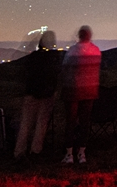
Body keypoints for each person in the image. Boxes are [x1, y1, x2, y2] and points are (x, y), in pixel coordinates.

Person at [14, 30, 62, 159]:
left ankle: (19, 151)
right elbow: (57, 72)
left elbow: (25, 71)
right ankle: (35, 151)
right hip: (47, 93)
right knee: (42, 123)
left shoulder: (33, 56)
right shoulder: (54, 57)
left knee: (26, 123)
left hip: (31, 92)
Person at [60, 26, 101, 164]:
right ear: (90, 35)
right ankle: (82, 153)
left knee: (71, 122)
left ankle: (69, 154)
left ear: (79, 35)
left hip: (73, 90)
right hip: (90, 91)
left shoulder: (73, 50)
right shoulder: (96, 50)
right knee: (84, 123)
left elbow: (65, 68)